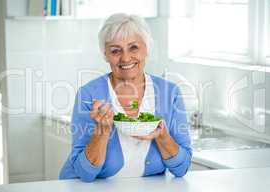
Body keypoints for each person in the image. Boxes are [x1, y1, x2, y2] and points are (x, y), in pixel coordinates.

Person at [59, 13, 192, 182]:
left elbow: (182, 168)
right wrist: (103, 130)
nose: (126, 58)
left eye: (133, 47)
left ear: (147, 48)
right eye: (115, 50)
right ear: (105, 54)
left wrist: (162, 135)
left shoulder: (170, 93)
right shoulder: (89, 95)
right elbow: (85, 174)